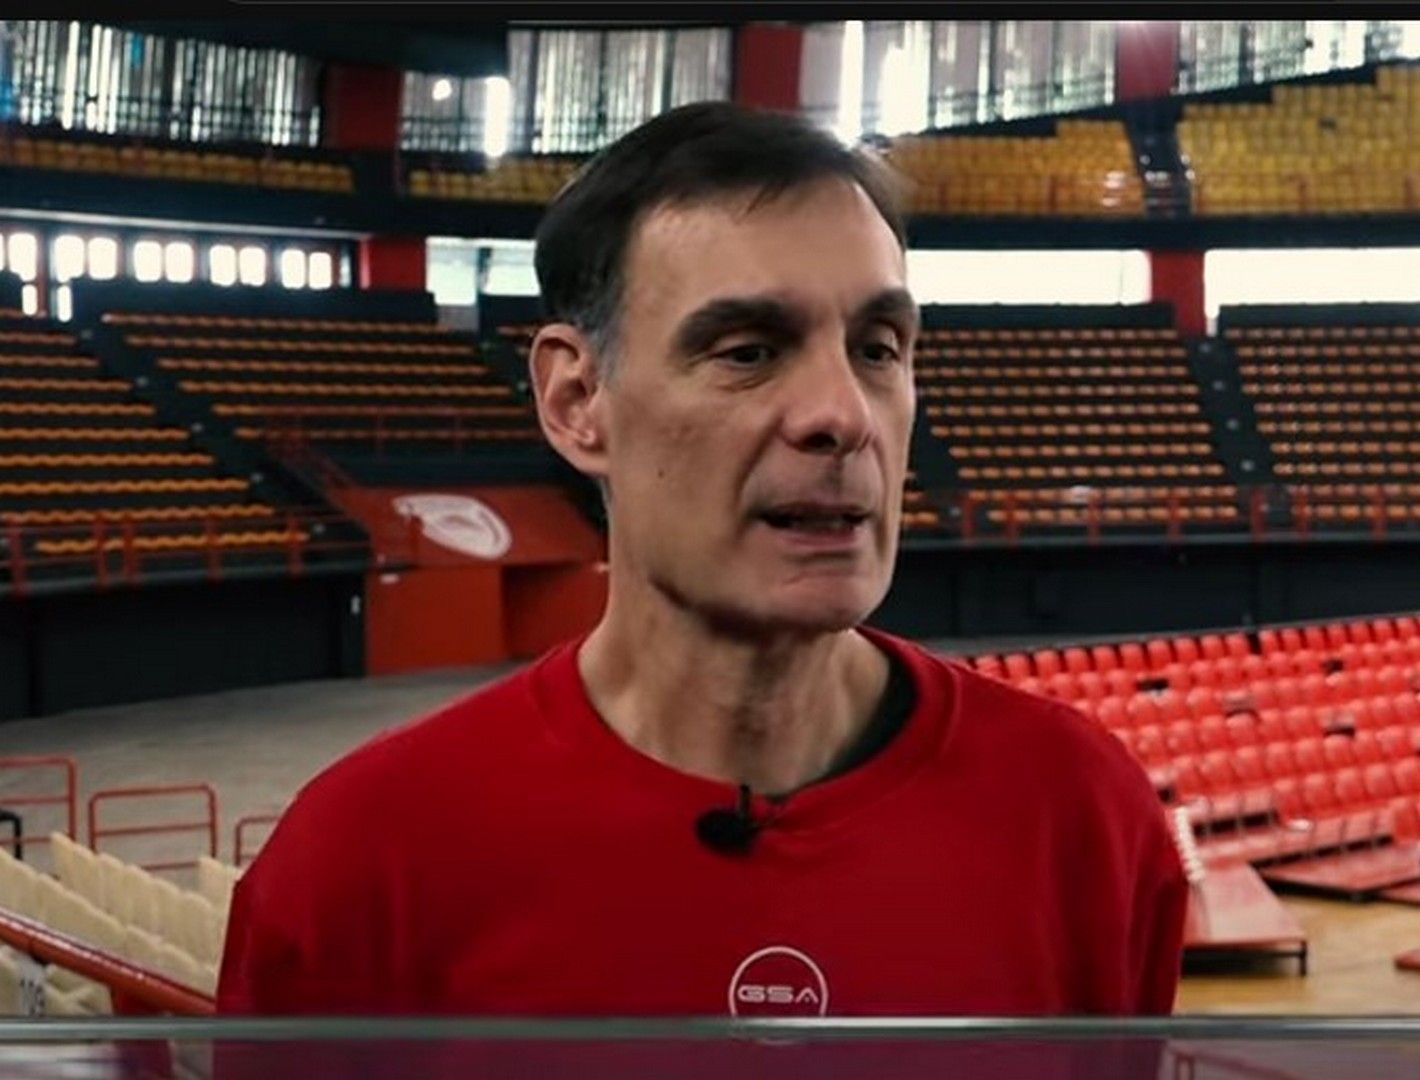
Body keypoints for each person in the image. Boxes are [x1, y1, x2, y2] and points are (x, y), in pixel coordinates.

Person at [217, 101, 1187, 1018]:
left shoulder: (1084, 819)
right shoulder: (362, 868)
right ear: (576, 401)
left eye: (879, 347)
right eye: (747, 351)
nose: (843, 415)